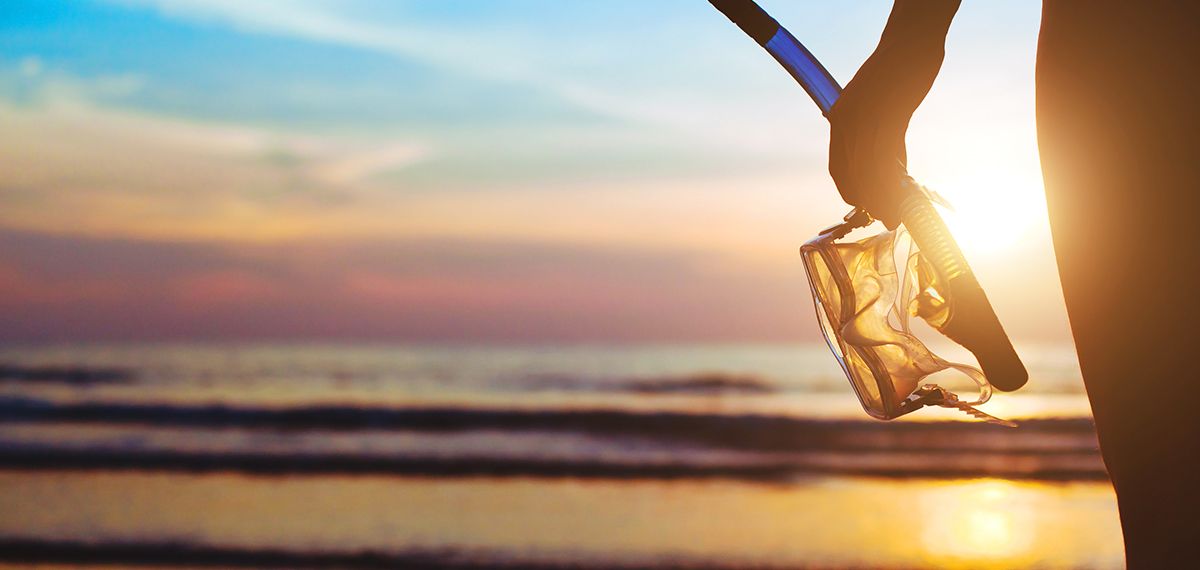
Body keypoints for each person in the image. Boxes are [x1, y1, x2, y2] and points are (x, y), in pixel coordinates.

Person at [828, 1, 1200, 566]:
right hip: (1114, 42)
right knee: (1163, 472)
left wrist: (911, 42)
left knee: (1166, 473)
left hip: (1122, 38)